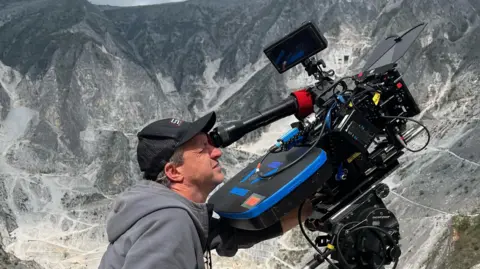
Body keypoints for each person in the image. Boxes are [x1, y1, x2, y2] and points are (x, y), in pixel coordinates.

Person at [98, 111, 312, 269]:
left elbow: (232, 235)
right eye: (203, 149)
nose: (217, 152)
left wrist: (308, 208)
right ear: (173, 172)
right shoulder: (172, 221)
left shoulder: (168, 210)